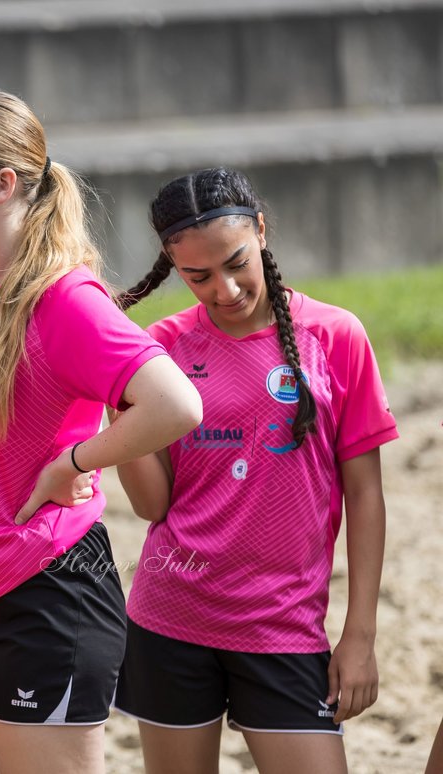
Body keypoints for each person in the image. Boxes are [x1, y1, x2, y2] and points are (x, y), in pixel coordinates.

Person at [0, 90, 203, 774]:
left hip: (47, 587)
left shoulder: (65, 301)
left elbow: (176, 405)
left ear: (3, 183)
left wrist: (75, 460)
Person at [111, 168, 398, 774]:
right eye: (199, 276)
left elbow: (365, 494)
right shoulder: (158, 349)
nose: (225, 288)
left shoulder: (337, 335)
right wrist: (119, 403)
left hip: (284, 627)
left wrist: (360, 635)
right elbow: (154, 507)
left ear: (262, 230)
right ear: (172, 264)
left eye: (236, 263)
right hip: (171, 615)